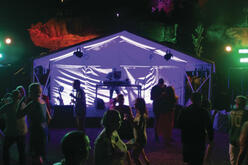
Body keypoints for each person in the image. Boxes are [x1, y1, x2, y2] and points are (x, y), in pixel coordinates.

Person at [17, 83, 52, 165]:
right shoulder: (43, 102)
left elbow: (18, 115)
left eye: (29, 91)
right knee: (41, 153)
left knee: (35, 156)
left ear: (32, 92)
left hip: (35, 132)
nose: (28, 93)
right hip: (44, 131)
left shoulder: (33, 103)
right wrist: (44, 126)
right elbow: (49, 118)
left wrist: (20, 102)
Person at [178, 92, 214, 165]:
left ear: (191, 99)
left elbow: (179, 124)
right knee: (198, 160)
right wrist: (211, 138)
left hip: (187, 138)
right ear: (200, 100)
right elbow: (209, 127)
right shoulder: (204, 112)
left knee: (188, 160)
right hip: (199, 139)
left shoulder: (184, 110)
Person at [0, 90, 26, 165]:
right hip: (22, 131)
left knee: (5, 149)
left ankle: (6, 163)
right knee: (21, 151)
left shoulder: (8, 106)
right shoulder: (23, 104)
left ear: (12, 96)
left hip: (11, 132)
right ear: (19, 96)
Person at [127, 98, 149, 165]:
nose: (134, 104)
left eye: (136, 103)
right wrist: (131, 119)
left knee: (134, 156)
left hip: (140, 139)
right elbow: (136, 124)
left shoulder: (141, 116)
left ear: (139, 104)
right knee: (127, 148)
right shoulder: (138, 113)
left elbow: (139, 128)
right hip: (137, 138)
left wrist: (130, 120)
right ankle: (146, 162)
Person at [228, 95, 248, 165]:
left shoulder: (231, 112)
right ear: (244, 103)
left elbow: (229, 126)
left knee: (233, 161)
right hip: (242, 141)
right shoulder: (246, 113)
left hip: (232, 139)